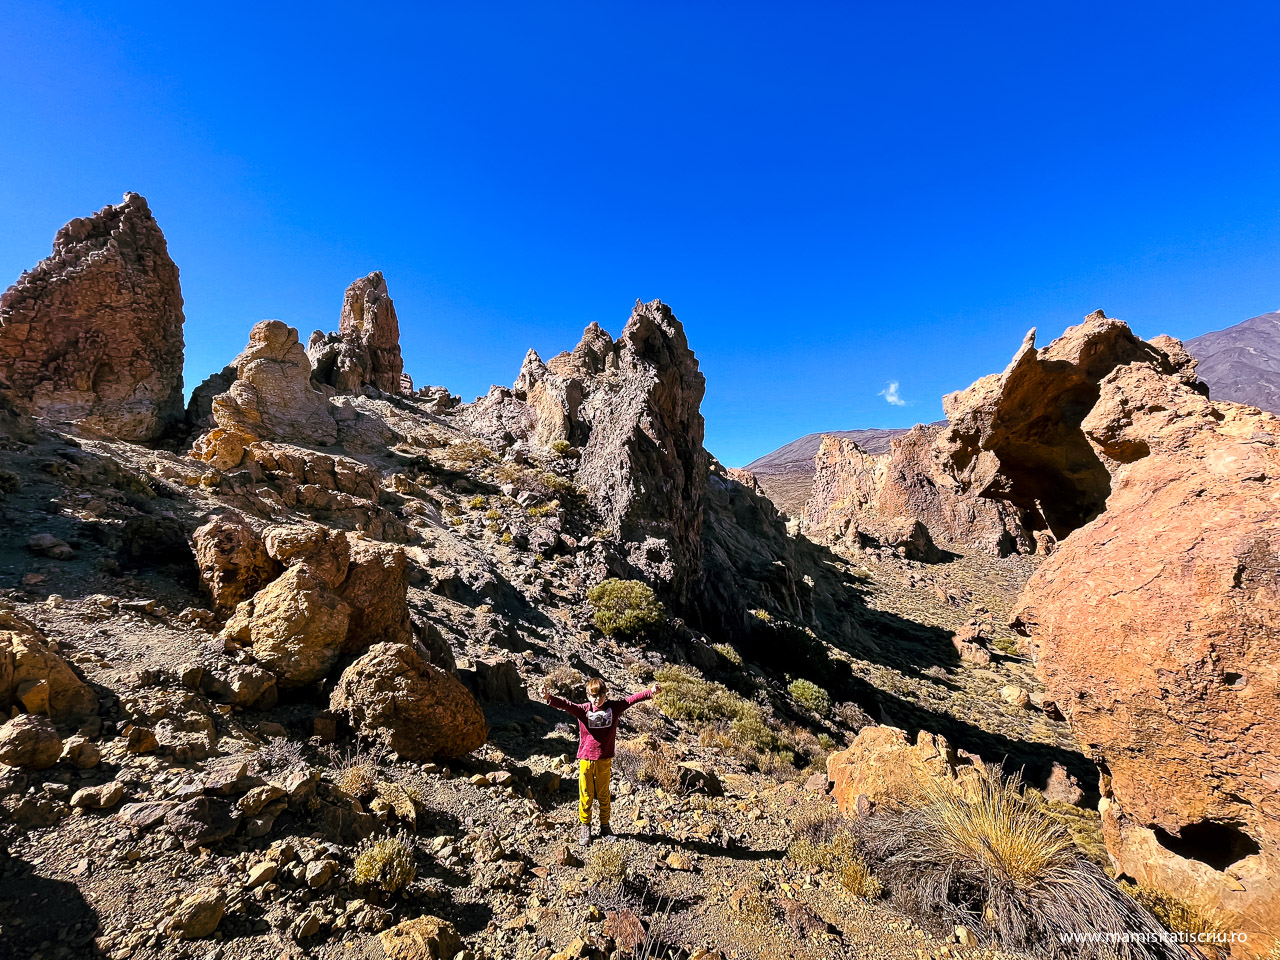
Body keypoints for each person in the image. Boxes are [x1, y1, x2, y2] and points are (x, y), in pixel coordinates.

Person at [541, 676, 660, 845]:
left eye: (601, 695)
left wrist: (650, 692)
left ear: (606, 694)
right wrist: (548, 698)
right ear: (588, 696)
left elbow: (631, 700)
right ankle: (585, 826)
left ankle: (605, 826)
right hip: (586, 759)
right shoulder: (583, 709)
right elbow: (566, 705)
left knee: (604, 794)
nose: (597, 699)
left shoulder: (614, 708)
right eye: (593, 695)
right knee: (586, 795)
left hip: (604, 759)